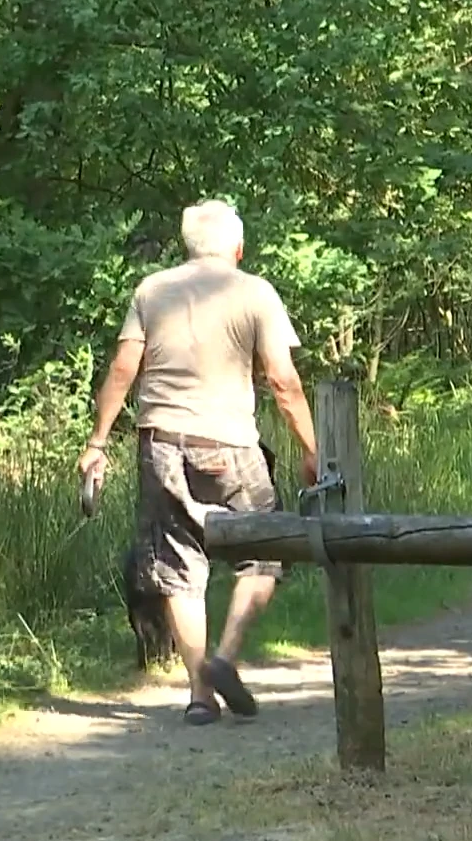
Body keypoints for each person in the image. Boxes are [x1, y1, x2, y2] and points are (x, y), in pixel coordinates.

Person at [76, 199, 319, 726]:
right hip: (232, 443)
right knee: (265, 553)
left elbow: (123, 368)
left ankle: (198, 695)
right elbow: (282, 379)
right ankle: (224, 658)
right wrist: (311, 449)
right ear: (238, 247)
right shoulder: (255, 292)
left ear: (187, 246)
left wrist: (97, 441)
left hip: (163, 443)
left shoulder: (152, 290)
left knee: (179, 564)